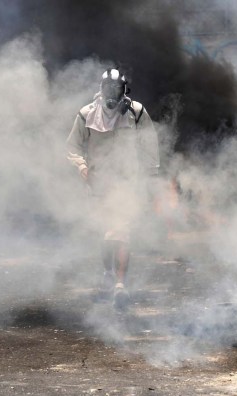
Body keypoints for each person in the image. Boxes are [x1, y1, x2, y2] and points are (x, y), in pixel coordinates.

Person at [66, 67, 160, 309]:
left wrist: (149, 179)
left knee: (122, 232)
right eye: (108, 88)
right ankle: (108, 273)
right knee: (105, 233)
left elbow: (150, 147)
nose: (112, 93)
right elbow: (73, 147)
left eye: (116, 89)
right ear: (101, 89)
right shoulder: (87, 114)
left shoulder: (136, 113)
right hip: (99, 184)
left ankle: (120, 285)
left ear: (124, 90)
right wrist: (83, 168)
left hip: (127, 183)